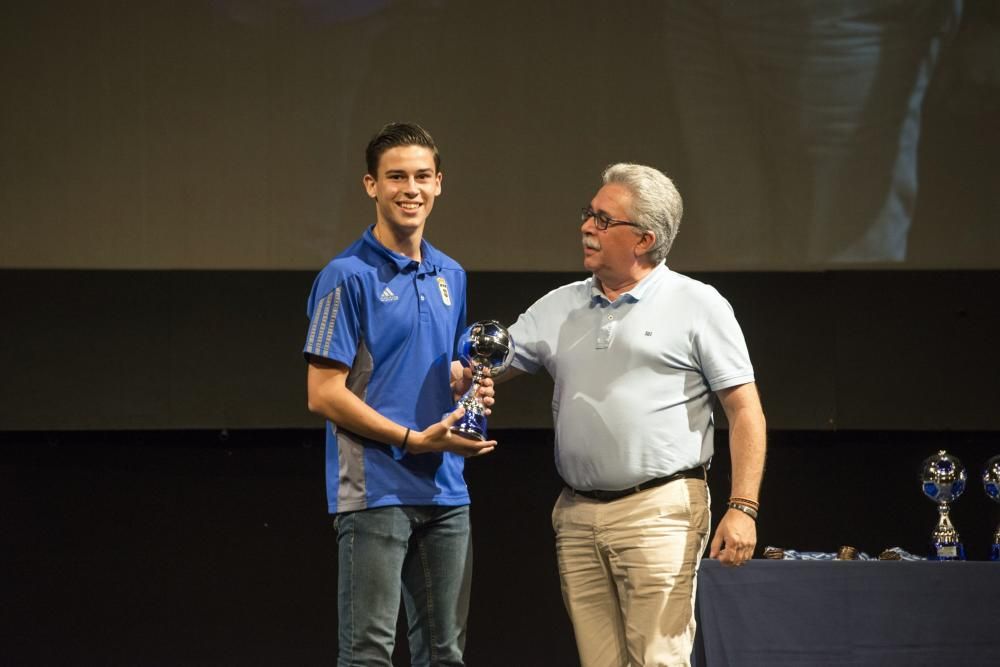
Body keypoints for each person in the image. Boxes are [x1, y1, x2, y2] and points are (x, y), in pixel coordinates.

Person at [502, 163, 767, 666]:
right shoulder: (561, 306)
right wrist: (453, 370)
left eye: (603, 220)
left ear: (644, 239)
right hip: (578, 516)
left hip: (659, 512)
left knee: (659, 659)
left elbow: (744, 410)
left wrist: (743, 507)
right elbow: (488, 364)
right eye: (589, 214)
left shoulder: (697, 304)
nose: (586, 227)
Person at [303, 122, 495, 667]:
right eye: (396, 177)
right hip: (375, 490)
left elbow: (448, 365)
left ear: (439, 185)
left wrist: (464, 384)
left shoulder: (450, 273)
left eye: (421, 176)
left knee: (446, 654)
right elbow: (323, 395)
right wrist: (410, 439)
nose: (410, 189)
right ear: (371, 186)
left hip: (445, 490)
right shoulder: (345, 276)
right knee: (368, 654)